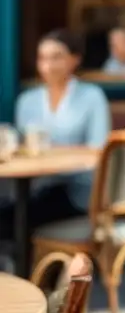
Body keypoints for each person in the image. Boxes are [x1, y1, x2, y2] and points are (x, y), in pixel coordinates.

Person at [0, 30, 111, 239]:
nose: (48, 65)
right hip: (36, 187)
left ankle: (28, 267)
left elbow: (99, 149)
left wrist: (52, 153)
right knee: (11, 213)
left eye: (56, 57)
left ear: (75, 59)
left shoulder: (92, 97)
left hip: (77, 190)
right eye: (42, 58)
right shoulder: (27, 101)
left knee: (13, 219)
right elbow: (24, 147)